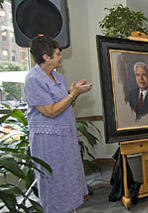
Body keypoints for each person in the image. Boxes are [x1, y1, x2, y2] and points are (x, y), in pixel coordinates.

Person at [24, 35, 92, 213]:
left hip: (65, 140)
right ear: (46, 57)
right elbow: (50, 111)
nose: (60, 57)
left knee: (69, 179)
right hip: (48, 143)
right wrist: (72, 94)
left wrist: (75, 93)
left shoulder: (59, 78)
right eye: (57, 54)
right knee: (53, 183)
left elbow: (66, 105)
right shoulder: (33, 80)